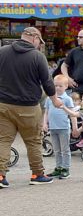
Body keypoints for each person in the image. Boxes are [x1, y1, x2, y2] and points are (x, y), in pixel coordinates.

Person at [0, 27, 64, 187]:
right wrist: (55, 100)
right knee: (33, 142)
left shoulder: (3, 51)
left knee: (3, 141)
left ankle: (0, 176)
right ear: (35, 38)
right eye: (39, 42)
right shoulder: (37, 57)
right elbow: (47, 82)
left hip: (3, 105)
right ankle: (37, 174)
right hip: (28, 108)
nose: (39, 45)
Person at [42, 75, 79, 179]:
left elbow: (73, 114)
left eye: (60, 86)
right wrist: (45, 123)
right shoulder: (49, 99)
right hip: (53, 128)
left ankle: (66, 168)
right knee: (56, 150)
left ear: (66, 86)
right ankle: (58, 167)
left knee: (65, 149)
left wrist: (75, 128)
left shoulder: (67, 99)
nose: (57, 88)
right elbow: (46, 112)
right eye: (55, 86)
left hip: (63, 128)